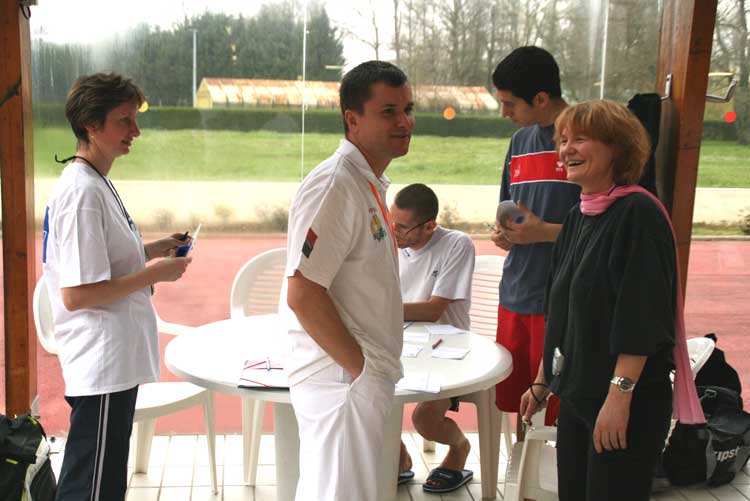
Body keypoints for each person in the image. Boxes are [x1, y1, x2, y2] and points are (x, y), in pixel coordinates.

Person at [520, 99, 702, 500]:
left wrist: (619, 398)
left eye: (580, 139)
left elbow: (641, 316)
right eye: (562, 139)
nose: (565, 149)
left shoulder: (638, 213)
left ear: (617, 148)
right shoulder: (578, 216)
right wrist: (541, 383)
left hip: (625, 400)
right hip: (578, 395)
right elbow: (561, 313)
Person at [44, 73, 192, 501]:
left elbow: (100, 262)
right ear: (92, 125)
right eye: (124, 120)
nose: (136, 131)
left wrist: (153, 249)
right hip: (101, 362)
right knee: (90, 487)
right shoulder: (83, 194)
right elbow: (77, 294)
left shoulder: (95, 181)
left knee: (102, 481)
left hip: (111, 362)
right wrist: (155, 273)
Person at [281, 60, 414, 501]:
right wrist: (362, 371)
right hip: (341, 379)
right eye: (389, 112)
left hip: (354, 376)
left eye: (408, 110)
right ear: (352, 120)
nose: (404, 122)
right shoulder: (335, 184)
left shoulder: (365, 182)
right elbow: (303, 292)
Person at [490, 46, 580, 436]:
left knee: (555, 411)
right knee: (520, 403)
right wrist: (506, 234)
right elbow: (508, 207)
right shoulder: (519, 142)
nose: (504, 113)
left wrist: (545, 232)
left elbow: (607, 229)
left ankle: (550, 472)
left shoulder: (586, 141)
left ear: (541, 98)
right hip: (516, 292)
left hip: (562, 299)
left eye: (510, 104)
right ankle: (522, 470)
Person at [390, 183, 475, 493]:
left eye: (402, 227)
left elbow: (433, 310)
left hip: (445, 349)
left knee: (424, 419)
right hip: (399, 343)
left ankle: (460, 447)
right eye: (391, 222)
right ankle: (399, 457)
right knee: (364, 400)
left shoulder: (457, 245)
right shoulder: (389, 242)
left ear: (429, 226)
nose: (394, 232)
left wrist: (379, 310)